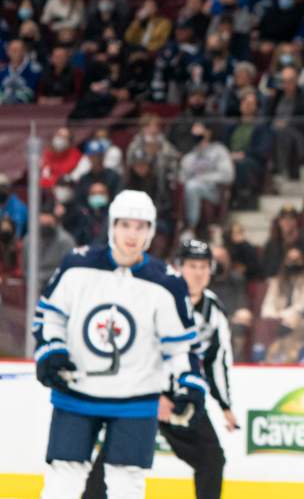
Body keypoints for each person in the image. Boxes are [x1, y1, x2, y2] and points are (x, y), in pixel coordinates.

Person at [32, 190, 206, 499]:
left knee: (127, 484)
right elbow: (49, 317)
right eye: (125, 225)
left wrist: (189, 381)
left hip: (135, 399)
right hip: (77, 392)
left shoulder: (167, 283)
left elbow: (180, 347)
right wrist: (52, 351)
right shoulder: (77, 265)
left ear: (151, 231)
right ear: (112, 226)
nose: (132, 234)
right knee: (63, 480)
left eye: (140, 227)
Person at [83, 239, 238, 499]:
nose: (198, 273)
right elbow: (135, 347)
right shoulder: (157, 295)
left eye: (203, 266)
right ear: (179, 267)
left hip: (183, 397)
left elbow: (214, 360)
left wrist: (224, 404)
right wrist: (154, 395)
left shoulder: (214, 311)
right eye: (191, 265)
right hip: (143, 392)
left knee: (211, 459)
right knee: (115, 455)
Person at [178, 123, 234, 229]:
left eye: (201, 132)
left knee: (192, 186)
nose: (198, 135)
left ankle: (191, 226)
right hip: (193, 189)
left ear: (208, 133)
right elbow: (181, 177)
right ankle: (185, 225)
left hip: (214, 191)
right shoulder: (190, 156)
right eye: (195, 133)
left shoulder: (219, 150)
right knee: (190, 186)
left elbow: (228, 175)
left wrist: (202, 178)